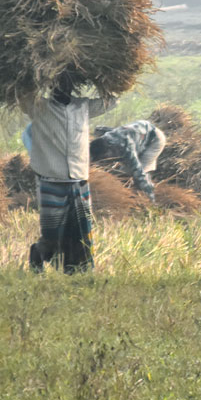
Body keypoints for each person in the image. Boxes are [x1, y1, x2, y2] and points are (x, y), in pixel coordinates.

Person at [26, 74, 116, 273]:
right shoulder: (39, 106)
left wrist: (109, 79)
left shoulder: (83, 107)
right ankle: (38, 255)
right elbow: (17, 94)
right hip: (51, 179)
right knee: (53, 230)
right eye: (58, 83)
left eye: (67, 82)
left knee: (83, 227)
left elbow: (111, 100)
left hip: (79, 179)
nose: (63, 87)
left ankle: (80, 269)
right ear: (51, 86)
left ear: (73, 85)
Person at [89, 119, 167, 201]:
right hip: (138, 133)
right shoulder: (104, 139)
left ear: (108, 151)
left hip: (154, 139)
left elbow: (139, 172)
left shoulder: (126, 148)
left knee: (139, 171)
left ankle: (148, 195)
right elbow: (98, 130)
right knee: (125, 171)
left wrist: (151, 200)